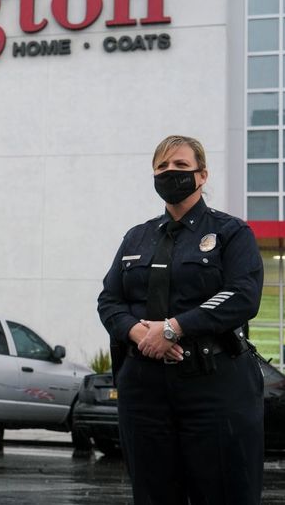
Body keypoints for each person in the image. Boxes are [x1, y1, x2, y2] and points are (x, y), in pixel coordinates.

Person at [97, 135, 264, 504]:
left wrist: (174, 328)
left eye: (181, 166)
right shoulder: (137, 238)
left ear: (202, 175)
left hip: (213, 384)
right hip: (145, 390)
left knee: (223, 492)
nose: (170, 173)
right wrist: (140, 333)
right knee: (153, 493)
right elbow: (110, 300)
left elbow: (243, 294)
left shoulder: (230, 233)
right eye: (162, 167)